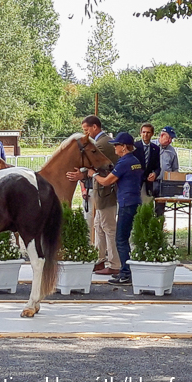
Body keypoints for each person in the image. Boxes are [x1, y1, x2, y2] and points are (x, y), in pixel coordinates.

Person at [66, 115, 120, 275]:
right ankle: (100, 259)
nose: (85, 133)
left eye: (86, 130)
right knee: (99, 226)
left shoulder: (102, 144)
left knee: (108, 227)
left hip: (106, 190)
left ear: (95, 127)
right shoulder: (99, 142)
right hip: (100, 190)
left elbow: (96, 165)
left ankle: (114, 263)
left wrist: (82, 176)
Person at [92, 132, 143, 285]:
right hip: (134, 200)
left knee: (120, 239)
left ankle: (125, 273)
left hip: (126, 202)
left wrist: (93, 174)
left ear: (124, 147)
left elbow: (106, 182)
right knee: (124, 237)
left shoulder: (124, 162)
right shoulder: (135, 161)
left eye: (117, 145)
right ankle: (124, 271)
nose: (114, 147)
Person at [133, 123, 160, 205]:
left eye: (148, 132)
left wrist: (155, 174)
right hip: (136, 182)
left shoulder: (155, 149)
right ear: (140, 133)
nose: (145, 135)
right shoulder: (134, 147)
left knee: (147, 206)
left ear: (152, 134)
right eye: (143, 132)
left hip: (148, 183)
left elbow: (158, 167)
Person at [156, 126, 179, 216]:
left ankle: (158, 226)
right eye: (169, 138)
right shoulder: (151, 146)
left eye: (171, 139)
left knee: (160, 210)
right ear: (162, 136)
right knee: (147, 207)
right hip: (150, 183)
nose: (170, 141)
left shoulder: (172, 151)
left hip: (164, 184)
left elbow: (175, 169)